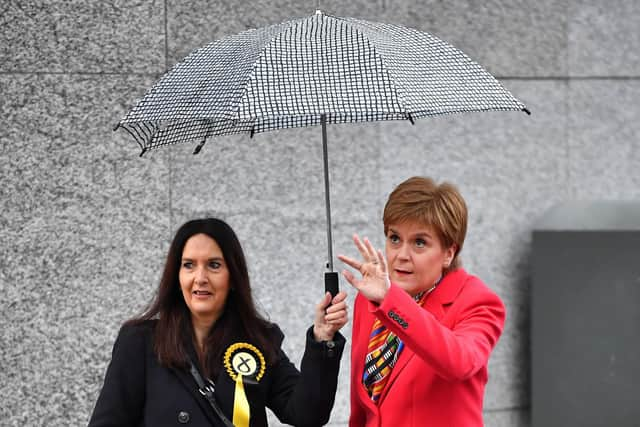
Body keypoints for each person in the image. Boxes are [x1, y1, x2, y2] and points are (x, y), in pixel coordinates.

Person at [89, 218, 348, 427]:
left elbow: (306, 415)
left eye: (213, 265)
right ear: (177, 276)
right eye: (189, 265)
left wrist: (322, 339)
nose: (200, 277)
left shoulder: (258, 340)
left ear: (233, 277)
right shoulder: (140, 341)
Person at [338, 176, 506, 427]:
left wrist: (391, 301)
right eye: (395, 238)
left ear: (449, 252)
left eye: (419, 242)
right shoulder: (371, 297)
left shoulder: (478, 301)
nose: (401, 256)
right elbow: (364, 403)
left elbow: (460, 362)